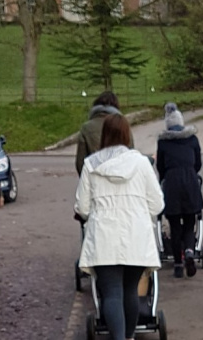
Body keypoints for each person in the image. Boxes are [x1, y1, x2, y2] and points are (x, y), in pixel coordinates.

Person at [76, 114, 164, 340]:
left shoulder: (91, 165)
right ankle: (129, 336)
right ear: (127, 134)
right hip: (136, 235)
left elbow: (82, 207)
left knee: (112, 293)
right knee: (131, 290)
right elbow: (157, 204)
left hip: (104, 236)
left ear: (104, 135)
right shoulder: (142, 163)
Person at [156, 103, 203, 278]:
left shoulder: (163, 142)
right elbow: (198, 163)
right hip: (190, 181)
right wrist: (191, 172)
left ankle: (177, 265)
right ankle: (189, 251)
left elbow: (160, 166)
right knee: (190, 222)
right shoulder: (192, 139)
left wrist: (164, 179)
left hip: (172, 183)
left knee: (175, 226)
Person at [76, 91, 132, 175]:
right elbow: (131, 153)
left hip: (95, 174)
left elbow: (80, 162)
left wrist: (87, 178)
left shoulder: (87, 128)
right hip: (121, 175)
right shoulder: (123, 125)